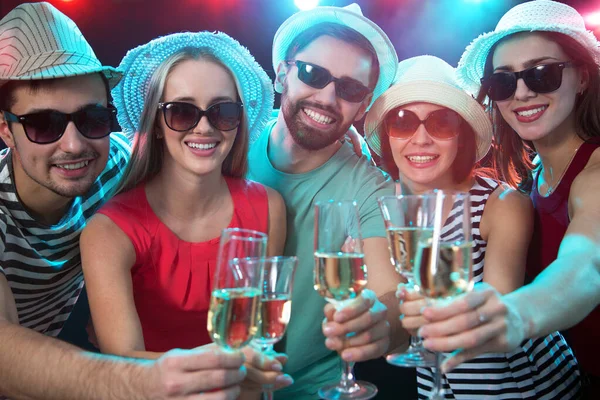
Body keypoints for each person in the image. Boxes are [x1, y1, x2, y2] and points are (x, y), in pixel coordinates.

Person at [0, 3, 247, 399]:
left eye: (92, 119)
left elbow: (204, 130)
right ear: (6, 131)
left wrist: (341, 143)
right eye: (43, 124)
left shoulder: (117, 163)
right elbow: (5, 356)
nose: (74, 144)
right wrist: (141, 379)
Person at [80, 30, 291, 396]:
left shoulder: (269, 208)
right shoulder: (109, 232)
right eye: (182, 111)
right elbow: (123, 368)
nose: (204, 127)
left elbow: (256, 346)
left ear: (237, 122)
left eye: (223, 111)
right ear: (157, 125)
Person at [364, 54, 581, 399]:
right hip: (438, 385)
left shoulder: (501, 205)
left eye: (442, 123)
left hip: (519, 386)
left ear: (462, 134)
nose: (420, 139)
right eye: (403, 121)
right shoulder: (374, 206)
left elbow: (497, 307)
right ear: (388, 133)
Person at [415, 0, 600, 397]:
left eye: (543, 74)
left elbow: (587, 265)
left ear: (582, 77)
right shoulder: (534, 176)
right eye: (503, 82)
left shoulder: (596, 170)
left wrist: (517, 312)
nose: (522, 92)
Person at [248, 3, 405, 398]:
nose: (327, 97)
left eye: (350, 88)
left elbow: (392, 297)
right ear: (283, 73)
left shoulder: (371, 188)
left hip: (314, 389)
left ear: (364, 103)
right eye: (313, 74)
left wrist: (381, 326)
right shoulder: (226, 144)